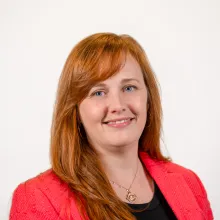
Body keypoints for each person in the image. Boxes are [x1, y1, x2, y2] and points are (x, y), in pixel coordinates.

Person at [9, 33, 213, 220]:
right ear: (75, 108)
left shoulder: (188, 182)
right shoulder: (37, 198)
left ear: (148, 98)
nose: (118, 105)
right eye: (98, 92)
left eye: (129, 87)